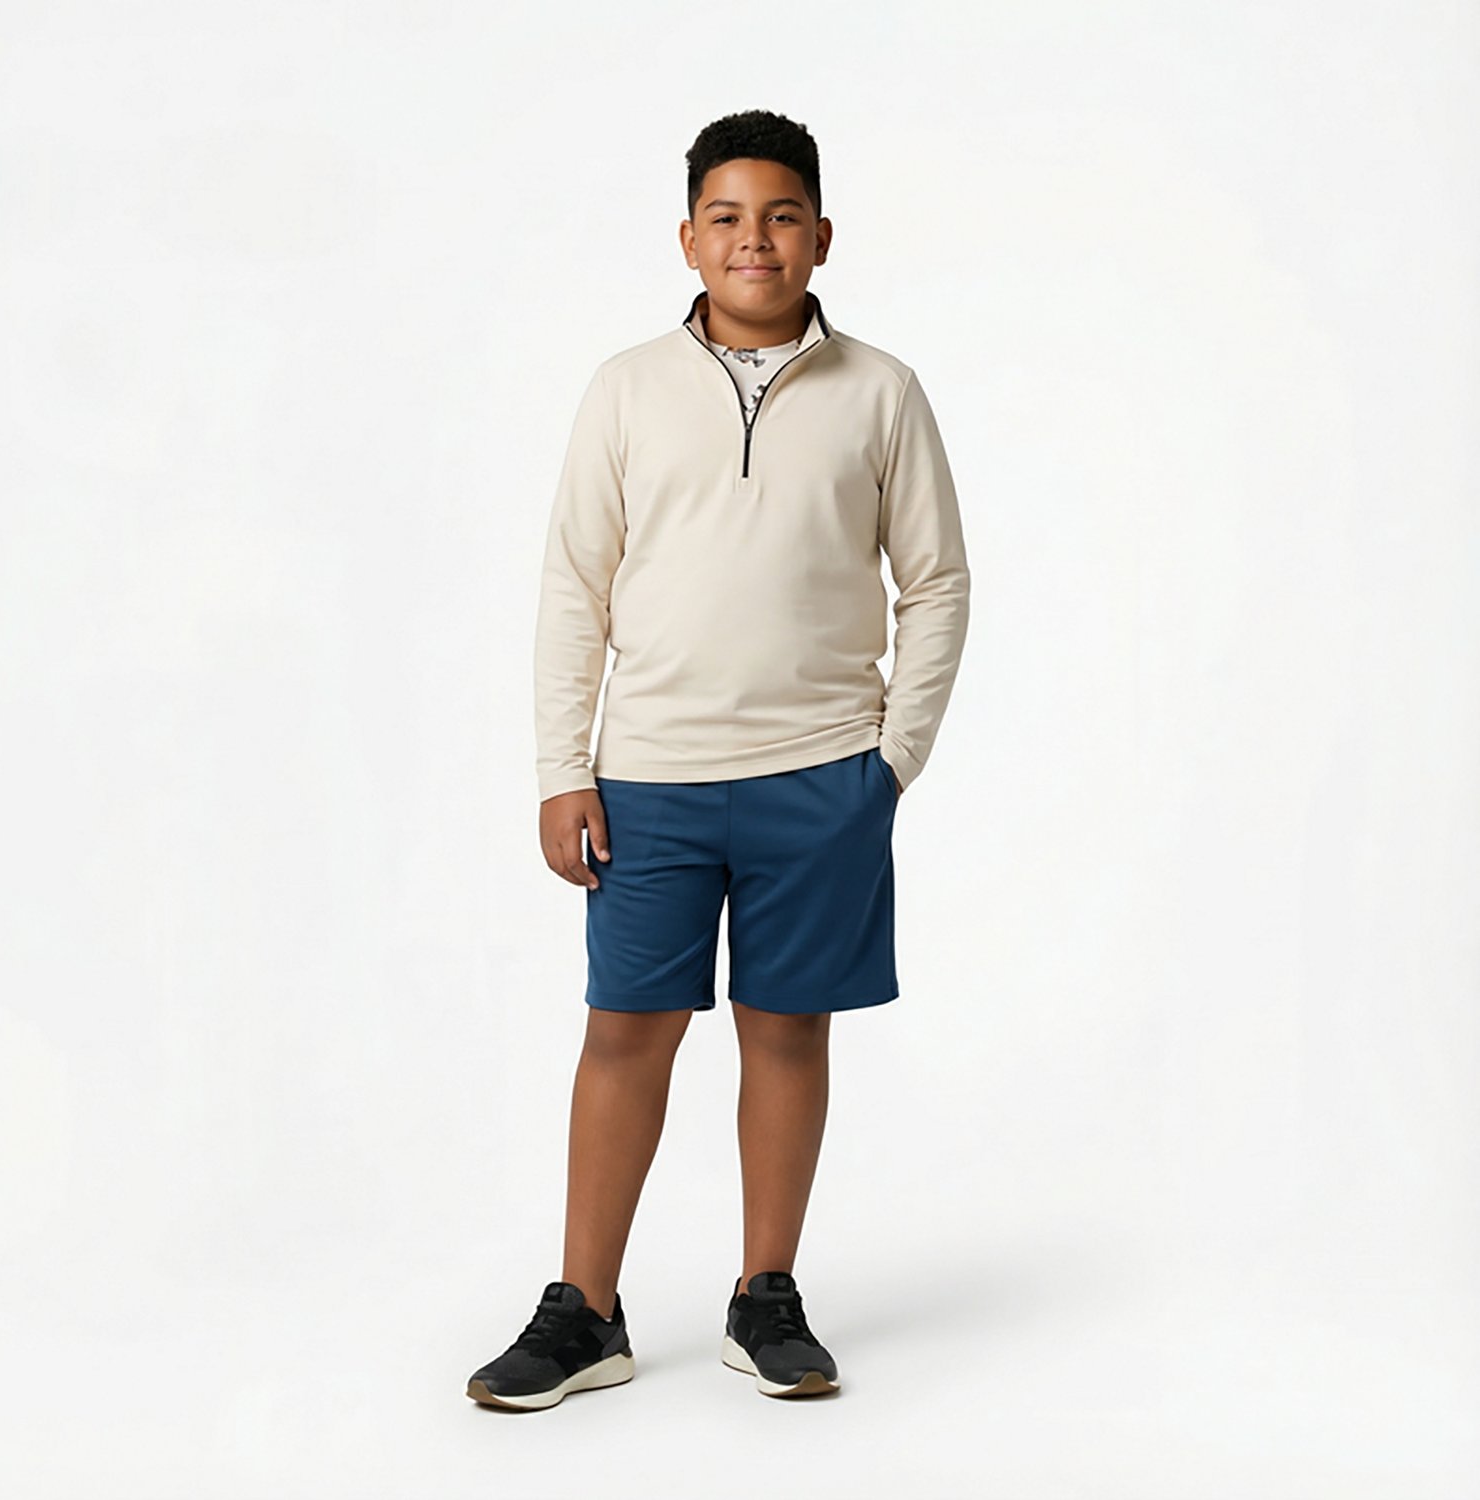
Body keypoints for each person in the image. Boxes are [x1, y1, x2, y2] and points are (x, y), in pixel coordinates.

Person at [466, 108, 970, 1410]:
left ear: (822, 236)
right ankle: (585, 1313)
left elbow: (937, 582)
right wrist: (562, 768)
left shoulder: (881, 392)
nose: (756, 239)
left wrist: (891, 762)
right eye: (728, 217)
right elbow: (575, 584)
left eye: (781, 216)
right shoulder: (627, 388)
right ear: (689, 238)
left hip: (823, 774)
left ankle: (766, 1295)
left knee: (786, 1032)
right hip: (650, 778)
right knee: (625, 1032)